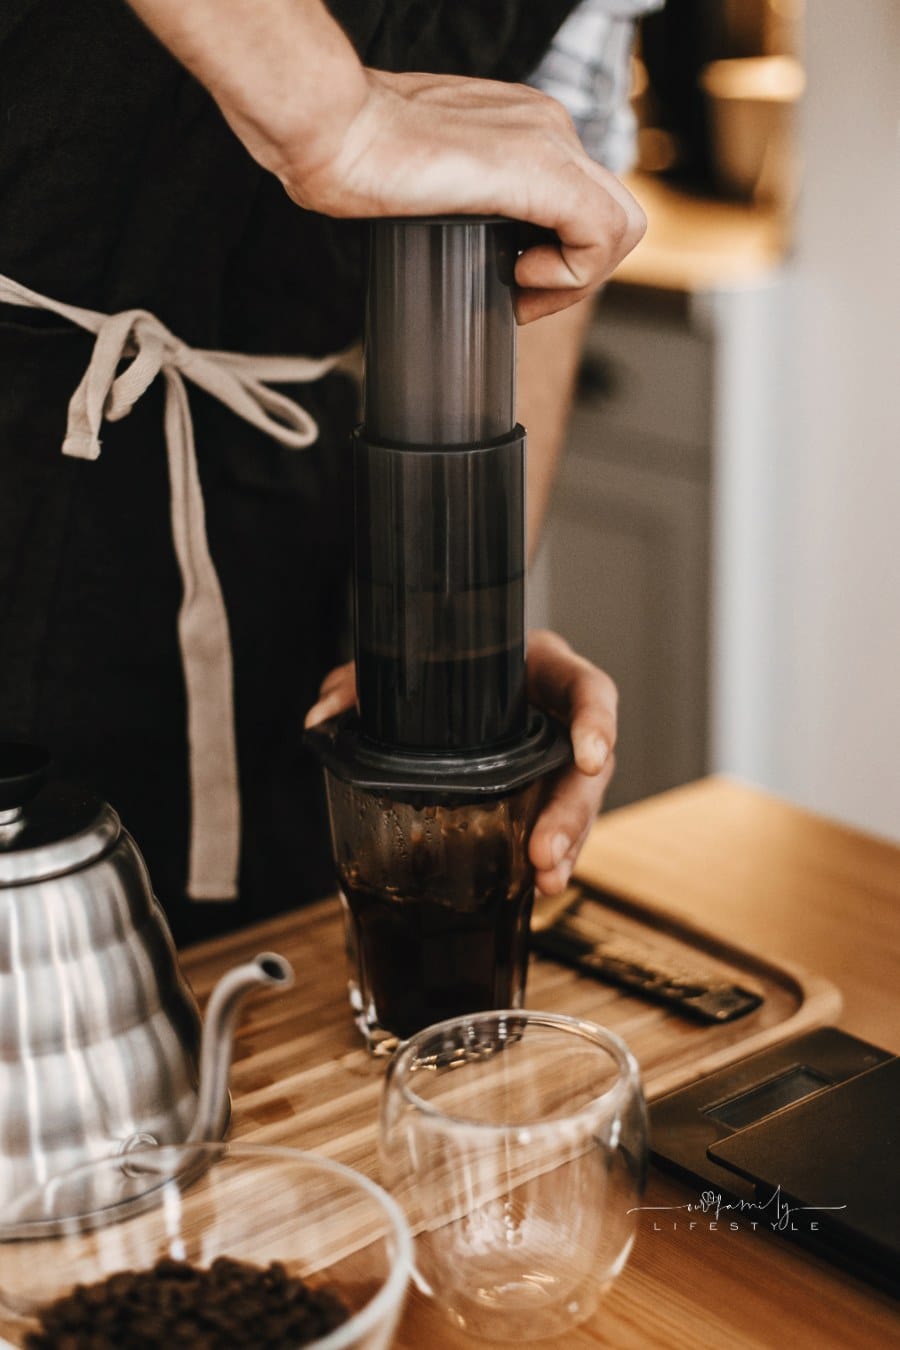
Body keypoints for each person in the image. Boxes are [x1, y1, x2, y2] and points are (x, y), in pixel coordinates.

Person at [0, 0, 647, 946]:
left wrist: (462, 637)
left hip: (269, 537)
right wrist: (335, 119)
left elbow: (549, 205)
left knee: (248, 974)